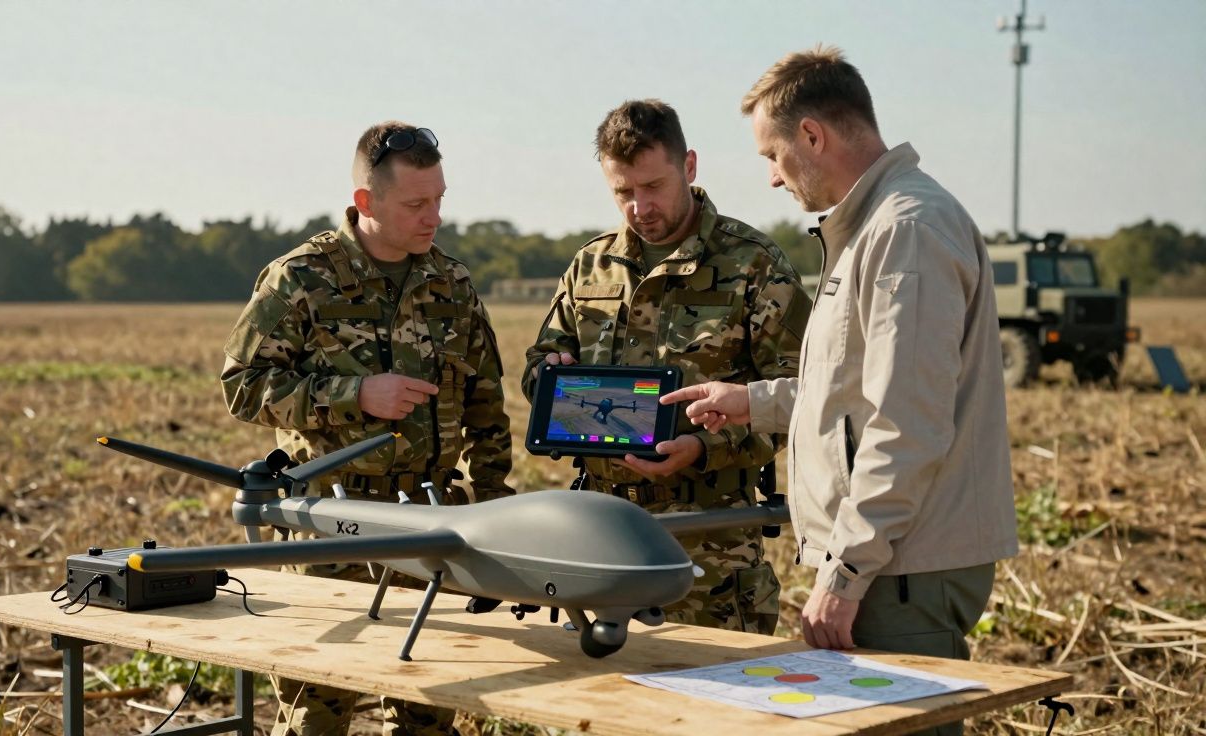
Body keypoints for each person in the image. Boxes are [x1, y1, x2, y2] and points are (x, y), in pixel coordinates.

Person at [664, 47, 1018, 732]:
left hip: (900, 570)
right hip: (890, 560)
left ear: (813, 136)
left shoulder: (905, 229)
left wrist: (845, 574)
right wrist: (750, 403)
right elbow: (854, 387)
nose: (770, 178)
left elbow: (904, 423)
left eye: (771, 154)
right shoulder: (873, 228)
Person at [221, 121, 513, 736]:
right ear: (365, 203)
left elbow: (487, 404)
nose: (432, 217)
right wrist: (356, 395)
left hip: (430, 528)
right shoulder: (300, 278)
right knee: (315, 718)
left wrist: (492, 510)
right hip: (328, 529)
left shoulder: (452, 284)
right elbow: (243, 386)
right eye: (415, 204)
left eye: (439, 199)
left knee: (429, 713)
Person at [523, 99, 810, 636]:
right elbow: (541, 359)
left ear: (690, 166)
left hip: (710, 542)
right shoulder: (591, 265)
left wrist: (705, 448)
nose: (639, 207)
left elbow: (802, 397)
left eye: (653, 186)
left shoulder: (754, 264)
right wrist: (549, 374)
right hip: (601, 536)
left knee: (716, 706)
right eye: (623, 192)